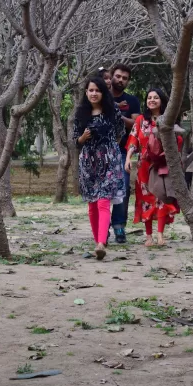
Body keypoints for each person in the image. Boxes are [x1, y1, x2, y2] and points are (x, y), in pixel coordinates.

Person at [72, 77, 126, 260]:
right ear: (86, 93)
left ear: (103, 93)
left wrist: (110, 151)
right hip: (88, 163)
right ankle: (98, 244)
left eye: (97, 90)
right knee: (92, 204)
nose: (94, 93)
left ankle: (102, 242)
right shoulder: (80, 114)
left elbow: (120, 133)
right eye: (90, 90)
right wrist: (83, 138)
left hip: (109, 161)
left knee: (103, 201)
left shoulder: (113, 111)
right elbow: (75, 141)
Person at [125, 88, 183, 247]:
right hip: (144, 166)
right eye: (149, 97)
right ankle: (149, 236)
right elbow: (133, 140)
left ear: (161, 101)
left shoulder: (167, 120)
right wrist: (128, 158)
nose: (151, 100)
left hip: (163, 166)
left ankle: (160, 235)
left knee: (162, 198)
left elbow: (177, 140)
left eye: (155, 98)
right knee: (146, 200)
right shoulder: (140, 121)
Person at [109, 64, 140, 244]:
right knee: (102, 190)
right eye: (118, 76)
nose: (121, 80)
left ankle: (119, 225)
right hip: (101, 150)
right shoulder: (100, 96)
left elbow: (135, 124)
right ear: (112, 76)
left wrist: (117, 115)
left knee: (123, 187)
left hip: (123, 150)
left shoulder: (132, 101)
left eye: (125, 78)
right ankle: (102, 227)